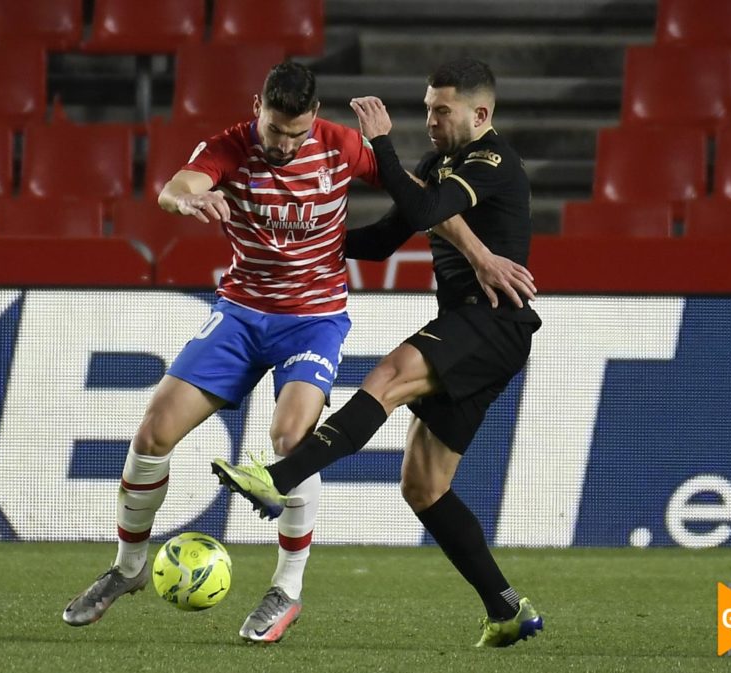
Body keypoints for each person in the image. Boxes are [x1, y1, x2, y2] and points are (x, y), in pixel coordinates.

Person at [212, 57, 544, 648]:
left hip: (492, 323)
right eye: (427, 108)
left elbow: (423, 212)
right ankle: (507, 608)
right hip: (469, 327)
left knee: (387, 376)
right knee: (423, 486)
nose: (431, 120)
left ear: (480, 114)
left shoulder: (492, 161)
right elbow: (387, 238)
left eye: (442, 110)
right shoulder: (436, 164)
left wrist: (380, 145)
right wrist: (300, 233)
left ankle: (278, 476)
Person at [62, 61, 380, 643]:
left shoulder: (341, 146)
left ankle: (287, 589)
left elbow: (406, 190)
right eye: (274, 130)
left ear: (316, 118)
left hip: (313, 320)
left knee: (291, 441)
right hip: (239, 314)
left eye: (296, 133)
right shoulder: (231, 146)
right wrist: (187, 202)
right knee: (153, 433)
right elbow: (174, 188)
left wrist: (387, 148)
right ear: (257, 104)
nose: (283, 145)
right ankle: (128, 568)